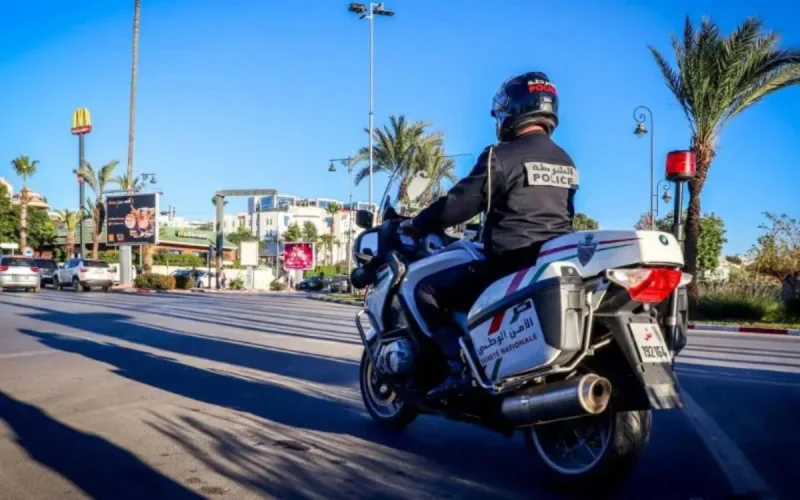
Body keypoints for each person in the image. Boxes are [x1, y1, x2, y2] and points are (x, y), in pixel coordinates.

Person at [400, 71, 578, 397]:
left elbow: (458, 204)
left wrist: (418, 223)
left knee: (425, 289)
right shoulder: (565, 161)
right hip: (546, 263)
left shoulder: (502, 155)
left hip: (507, 262)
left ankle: (456, 368)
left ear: (512, 110)